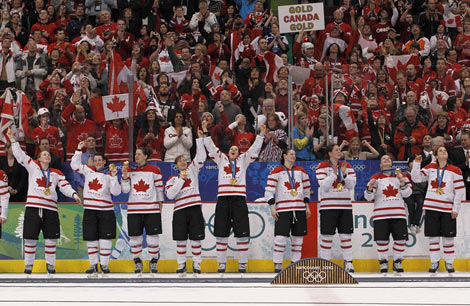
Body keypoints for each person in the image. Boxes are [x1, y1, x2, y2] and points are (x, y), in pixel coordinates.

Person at [7, 127, 81, 274]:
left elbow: (65, 186)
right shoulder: (33, 167)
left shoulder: (56, 173)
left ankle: (50, 266)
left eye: (48, 154)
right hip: (33, 207)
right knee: (30, 238)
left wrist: (74, 195)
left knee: (50, 239)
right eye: (44, 154)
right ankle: (28, 266)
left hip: (51, 209)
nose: (47, 156)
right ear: (39, 158)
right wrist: (13, 140)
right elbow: (20, 156)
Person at [203, 123, 266, 273]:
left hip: (239, 200)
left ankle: (242, 264)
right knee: (221, 233)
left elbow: (254, 149)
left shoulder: (243, 161)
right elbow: (211, 148)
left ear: (239, 153)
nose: (233, 150)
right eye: (231, 148)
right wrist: (206, 132)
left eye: (236, 149)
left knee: (242, 233)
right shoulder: (221, 160)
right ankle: (221, 264)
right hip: (223, 200)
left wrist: (261, 135)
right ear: (228, 151)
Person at [411, 147, 465, 274]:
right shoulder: (430, 167)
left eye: (445, 150)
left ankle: (449, 262)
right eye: (440, 150)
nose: (443, 151)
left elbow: (460, 191)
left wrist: (456, 208)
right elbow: (416, 178)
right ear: (435, 155)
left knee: (448, 238)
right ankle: (434, 262)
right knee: (433, 238)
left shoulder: (455, 170)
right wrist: (416, 164)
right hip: (431, 207)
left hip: (447, 209)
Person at [71, 141, 121, 275]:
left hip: (106, 211)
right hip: (90, 210)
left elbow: (116, 192)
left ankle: (104, 265)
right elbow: (74, 165)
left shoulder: (110, 174)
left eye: (100, 160)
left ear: (104, 162)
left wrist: (115, 177)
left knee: (105, 239)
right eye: (96, 160)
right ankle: (93, 264)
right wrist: (78, 149)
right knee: (91, 239)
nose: (98, 162)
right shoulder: (88, 170)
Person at [165, 128, 206, 274]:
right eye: (179, 161)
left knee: (196, 239)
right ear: (175, 166)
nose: (182, 162)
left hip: (194, 208)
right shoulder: (172, 180)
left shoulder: (193, 170)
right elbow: (170, 195)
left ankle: (197, 265)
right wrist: (181, 181)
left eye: (184, 160)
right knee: (181, 240)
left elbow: (201, 156)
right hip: (180, 211)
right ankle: (181, 264)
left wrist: (200, 140)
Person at [265, 148, 311, 273]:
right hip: (283, 209)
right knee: (280, 238)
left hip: (299, 209)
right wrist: (272, 208)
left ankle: (295, 264)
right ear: (284, 156)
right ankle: (278, 264)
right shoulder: (276, 171)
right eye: (291, 154)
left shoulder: (301, 171)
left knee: (298, 239)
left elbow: (306, 191)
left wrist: (307, 207)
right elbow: (269, 191)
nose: (293, 156)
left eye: (295, 154)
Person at [364, 155, 412, 274]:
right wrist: (370, 187)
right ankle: (383, 262)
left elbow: (408, 193)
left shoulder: (400, 176)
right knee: (381, 240)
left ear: (392, 163)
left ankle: (397, 261)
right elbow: (368, 197)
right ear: (380, 165)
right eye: (384, 159)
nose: (387, 160)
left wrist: (401, 181)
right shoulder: (376, 178)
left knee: (401, 239)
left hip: (398, 214)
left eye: (389, 159)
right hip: (381, 214)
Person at [121, 147, 164, 274]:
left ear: (146, 156)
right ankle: (137, 261)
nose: (136, 156)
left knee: (152, 237)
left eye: (139, 154)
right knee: (135, 238)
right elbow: (125, 190)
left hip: (151, 209)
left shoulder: (155, 170)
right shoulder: (129, 169)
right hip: (134, 209)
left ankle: (153, 262)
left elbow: (159, 188)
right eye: (135, 154)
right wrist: (124, 176)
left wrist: (160, 204)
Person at [316, 144, 356, 273]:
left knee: (346, 236)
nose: (339, 151)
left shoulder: (347, 166)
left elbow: (351, 185)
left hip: (345, 206)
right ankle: (325, 263)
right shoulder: (322, 166)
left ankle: (349, 262)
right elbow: (324, 187)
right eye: (336, 150)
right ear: (330, 153)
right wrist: (334, 174)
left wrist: (344, 174)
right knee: (327, 236)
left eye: (340, 149)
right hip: (328, 206)